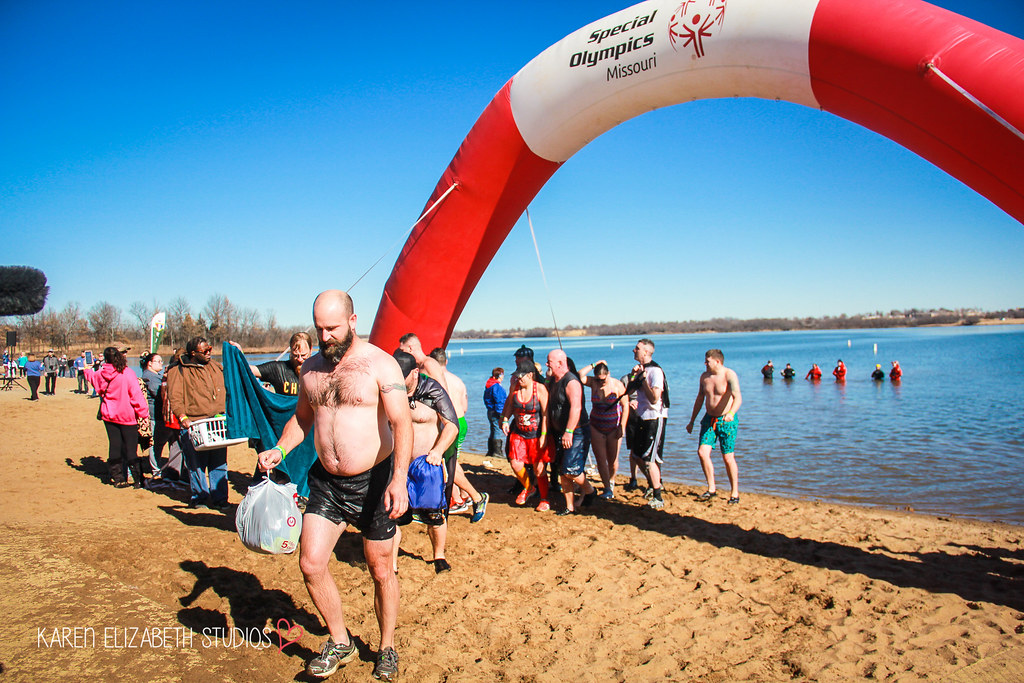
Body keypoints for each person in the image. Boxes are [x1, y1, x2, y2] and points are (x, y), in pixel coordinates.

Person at [257, 290, 411, 681]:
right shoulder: (310, 369)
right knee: (310, 562)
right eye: (319, 328)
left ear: (353, 322)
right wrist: (279, 449)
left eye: (332, 328)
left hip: (374, 480)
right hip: (327, 482)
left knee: (380, 570)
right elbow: (303, 420)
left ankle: (387, 646)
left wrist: (398, 480)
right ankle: (339, 639)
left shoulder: (380, 364)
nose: (324, 336)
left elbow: (401, 423)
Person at [166, 336, 230, 511]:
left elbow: (230, 383)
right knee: (196, 464)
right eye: (205, 351)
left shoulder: (216, 367)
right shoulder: (178, 371)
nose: (209, 353)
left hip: (217, 422)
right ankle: (200, 497)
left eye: (210, 349)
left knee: (219, 463)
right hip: (194, 423)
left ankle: (220, 498)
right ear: (193, 353)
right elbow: (175, 397)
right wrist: (182, 417)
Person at [427, 347, 487, 517]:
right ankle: (464, 494)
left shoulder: (433, 379)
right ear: (446, 361)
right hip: (460, 421)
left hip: (447, 423)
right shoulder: (458, 380)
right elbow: (465, 407)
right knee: (453, 459)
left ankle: (461, 498)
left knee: (449, 462)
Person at [85, 347, 149, 487]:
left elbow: (91, 377)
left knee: (114, 446)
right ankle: (138, 479)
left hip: (109, 414)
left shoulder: (101, 373)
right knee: (131, 448)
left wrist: (87, 369)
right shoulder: (127, 373)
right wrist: (143, 413)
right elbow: (136, 396)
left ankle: (118, 478)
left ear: (105, 359)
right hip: (126, 416)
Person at [686, 349, 743, 505]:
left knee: (728, 457)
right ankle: (711, 488)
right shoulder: (704, 377)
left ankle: (734, 492)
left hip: (727, 421)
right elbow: (699, 398)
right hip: (709, 419)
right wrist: (691, 420)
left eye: (707, 361)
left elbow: (738, 397)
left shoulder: (729, 375)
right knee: (702, 452)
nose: (705, 363)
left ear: (717, 361)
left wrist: (731, 412)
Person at [546, 349, 596, 515]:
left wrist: (569, 432)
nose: (547, 364)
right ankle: (570, 506)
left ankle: (590, 490)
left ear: (560, 363)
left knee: (571, 470)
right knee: (563, 471)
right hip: (559, 432)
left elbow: (576, 408)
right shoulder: (553, 381)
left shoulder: (571, 382)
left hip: (577, 431)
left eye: (550, 362)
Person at [624, 339, 670, 509]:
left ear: (646, 352)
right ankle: (654, 483)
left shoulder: (656, 371)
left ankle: (657, 494)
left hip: (654, 417)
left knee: (649, 459)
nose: (633, 350)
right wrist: (634, 376)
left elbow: (654, 399)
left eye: (637, 348)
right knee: (637, 455)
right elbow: (628, 392)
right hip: (641, 417)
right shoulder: (641, 370)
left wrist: (643, 380)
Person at [501, 368, 552, 510]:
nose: (519, 379)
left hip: (536, 434)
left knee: (539, 469)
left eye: (521, 376)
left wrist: (544, 435)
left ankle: (544, 499)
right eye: (517, 376)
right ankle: (529, 488)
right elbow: (511, 405)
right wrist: (505, 419)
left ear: (530, 375)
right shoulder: (515, 387)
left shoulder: (540, 389)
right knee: (515, 463)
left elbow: (546, 413)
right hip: (519, 433)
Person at [578, 360, 629, 499]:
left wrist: (622, 426)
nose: (602, 382)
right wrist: (595, 364)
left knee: (612, 460)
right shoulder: (593, 383)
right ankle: (607, 488)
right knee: (600, 459)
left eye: (604, 379)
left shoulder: (617, 385)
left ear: (609, 374)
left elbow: (626, 406)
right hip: (595, 426)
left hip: (614, 427)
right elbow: (580, 374)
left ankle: (611, 481)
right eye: (599, 380)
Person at [237, 331, 312, 396]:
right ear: (291, 351)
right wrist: (239, 353)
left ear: (310, 350)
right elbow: (247, 369)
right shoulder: (278, 369)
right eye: (295, 355)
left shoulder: (318, 370)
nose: (299, 359)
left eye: (303, 355)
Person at [140, 352, 173, 482]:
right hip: (156, 415)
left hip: (158, 414)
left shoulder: (154, 376)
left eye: (161, 361)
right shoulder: (150, 377)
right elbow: (159, 395)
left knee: (160, 443)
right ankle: (156, 469)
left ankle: (158, 468)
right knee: (156, 444)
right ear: (150, 363)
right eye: (158, 361)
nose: (161, 363)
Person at [482, 367, 507, 459]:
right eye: (502, 374)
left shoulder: (489, 385)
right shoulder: (496, 387)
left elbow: (486, 399)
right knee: (496, 429)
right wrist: (502, 414)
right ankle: (497, 452)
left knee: (493, 429)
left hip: (490, 410)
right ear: (500, 375)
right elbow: (499, 401)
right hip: (496, 411)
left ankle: (491, 450)